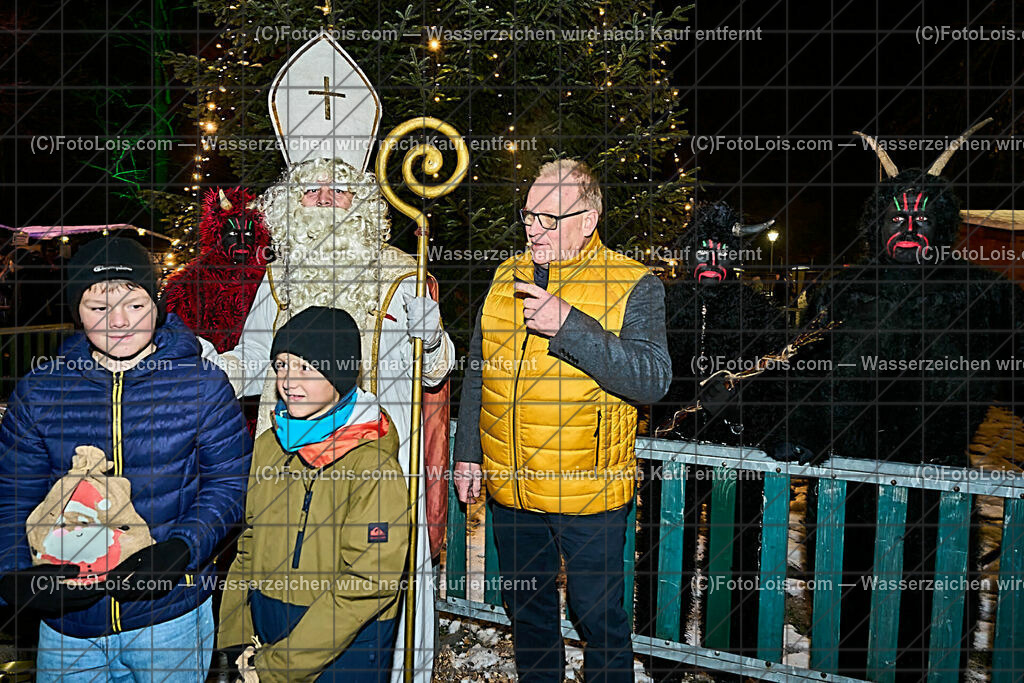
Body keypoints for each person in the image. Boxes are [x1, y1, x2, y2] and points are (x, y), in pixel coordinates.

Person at [200, 157, 453, 681]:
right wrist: (207, 365)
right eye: (311, 190)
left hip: (377, 469)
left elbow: (436, 373)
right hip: (291, 469)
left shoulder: (405, 274)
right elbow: (252, 362)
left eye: (339, 190)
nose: (324, 200)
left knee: (371, 597)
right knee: (285, 581)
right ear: (291, 202)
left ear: (362, 204)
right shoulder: (279, 277)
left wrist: (435, 338)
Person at [452, 159, 672, 682]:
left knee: (600, 622)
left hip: (588, 493)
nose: (532, 227)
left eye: (549, 217)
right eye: (528, 214)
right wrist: (467, 452)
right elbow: (480, 372)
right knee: (527, 615)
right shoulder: (507, 276)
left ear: (588, 219)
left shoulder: (633, 283)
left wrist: (569, 325)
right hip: (513, 491)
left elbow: (652, 378)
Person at [0, 236, 252, 681]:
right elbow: (13, 494)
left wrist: (182, 548)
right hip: (70, 628)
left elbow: (230, 482)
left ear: (157, 303)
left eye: (134, 305)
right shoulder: (41, 391)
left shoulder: (202, 385)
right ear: (76, 311)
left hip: (170, 619)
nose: (119, 322)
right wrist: (15, 573)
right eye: (98, 308)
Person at [218, 306, 410, 682]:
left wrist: (278, 665)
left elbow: (370, 582)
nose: (288, 380)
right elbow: (247, 546)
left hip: (348, 641)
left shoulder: (371, 465)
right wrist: (235, 636)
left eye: (306, 367)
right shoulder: (271, 448)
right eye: (281, 366)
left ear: (338, 373)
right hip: (267, 623)